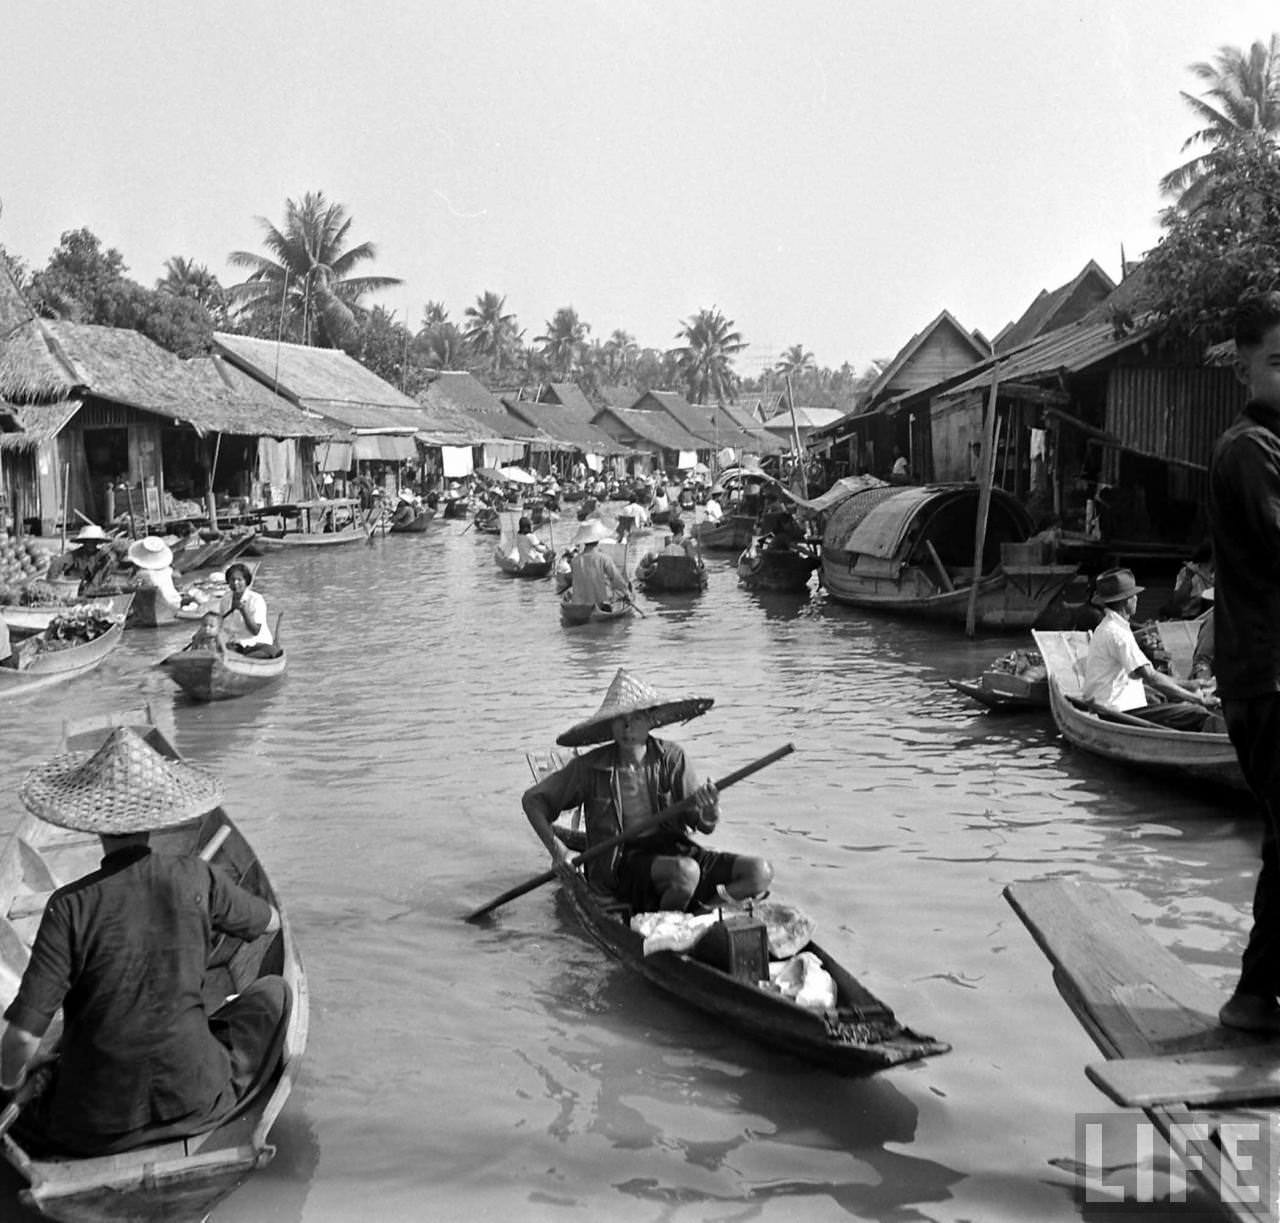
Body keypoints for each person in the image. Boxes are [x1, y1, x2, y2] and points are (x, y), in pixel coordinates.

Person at [0, 726, 289, 1157]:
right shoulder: (197, 875)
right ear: (158, 817)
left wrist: (12, 1085)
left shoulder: (69, 905)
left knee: (29, 1091)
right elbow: (268, 923)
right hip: (197, 1099)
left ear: (92, 823)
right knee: (274, 994)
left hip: (91, 1123)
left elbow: (22, 1040)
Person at [522, 669, 773, 912]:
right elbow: (532, 801)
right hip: (620, 864)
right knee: (686, 873)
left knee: (759, 871)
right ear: (610, 725)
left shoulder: (672, 758)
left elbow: (702, 824)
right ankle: (666, 921)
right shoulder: (589, 767)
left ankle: (699, 916)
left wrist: (711, 811)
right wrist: (558, 851)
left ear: (652, 720)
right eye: (620, 720)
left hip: (672, 850)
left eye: (636, 718)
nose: (627, 727)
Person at [1208, 292, 1280, 1032]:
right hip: (1268, 678)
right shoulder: (1249, 450)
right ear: (1245, 368)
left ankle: (1257, 998)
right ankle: (1253, 998)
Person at [1081, 567, 1220, 731]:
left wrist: (1189, 685)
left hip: (1113, 704)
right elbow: (1151, 677)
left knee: (1161, 698)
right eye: (1135, 596)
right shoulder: (1117, 633)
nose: (1137, 599)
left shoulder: (1114, 627)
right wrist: (1199, 700)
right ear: (1128, 601)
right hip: (1116, 710)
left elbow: (1149, 675)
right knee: (1197, 713)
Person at [566, 520, 629, 608]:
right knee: (617, 592)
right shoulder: (604, 559)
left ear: (584, 542)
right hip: (601, 602)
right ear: (598, 541)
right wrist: (626, 592)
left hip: (579, 605)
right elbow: (617, 579)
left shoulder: (574, 561)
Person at [220, 562, 275, 655]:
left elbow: (255, 631)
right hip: (233, 643)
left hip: (255, 644)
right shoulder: (225, 599)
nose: (235, 583)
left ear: (246, 581)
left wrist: (243, 611)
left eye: (239, 580)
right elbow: (220, 624)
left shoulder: (256, 600)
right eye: (232, 580)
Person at [46, 524, 116, 591]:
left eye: (93, 541)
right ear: (84, 542)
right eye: (88, 541)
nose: (91, 544)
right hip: (75, 587)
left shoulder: (102, 556)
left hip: (96, 589)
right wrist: (52, 582)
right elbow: (57, 563)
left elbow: (100, 576)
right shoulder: (76, 554)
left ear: (97, 542)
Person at [1160, 541, 1215, 619]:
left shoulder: (1222, 574)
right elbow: (1178, 602)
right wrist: (1188, 577)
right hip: (1192, 617)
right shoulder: (1187, 571)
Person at [126, 536, 182, 612]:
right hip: (175, 601)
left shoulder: (143, 574)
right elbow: (177, 575)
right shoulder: (167, 569)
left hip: (163, 606)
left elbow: (130, 585)